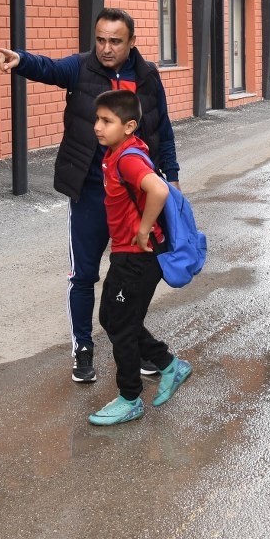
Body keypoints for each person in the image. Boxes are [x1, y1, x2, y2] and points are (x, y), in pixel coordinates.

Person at [0, 8, 179, 385]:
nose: (106, 48)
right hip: (91, 192)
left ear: (131, 42)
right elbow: (48, 67)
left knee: (133, 277)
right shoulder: (81, 69)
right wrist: (21, 60)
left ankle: (136, 344)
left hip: (136, 199)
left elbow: (163, 129)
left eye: (115, 41)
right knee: (84, 275)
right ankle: (83, 348)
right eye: (100, 39)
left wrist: (172, 177)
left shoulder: (146, 77)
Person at [86, 89, 191, 426]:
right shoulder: (121, 152)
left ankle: (130, 398)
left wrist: (144, 229)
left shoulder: (128, 158)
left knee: (121, 325)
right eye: (97, 119)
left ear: (129, 125)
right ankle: (169, 364)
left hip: (137, 256)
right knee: (113, 319)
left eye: (106, 121)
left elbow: (158, 190)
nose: (98, 127)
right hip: (127, 254)